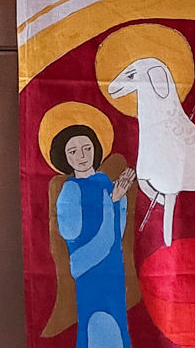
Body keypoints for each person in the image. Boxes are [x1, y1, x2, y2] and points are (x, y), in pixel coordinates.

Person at [50, 124, 137, 348]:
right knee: (97, 323)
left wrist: (117, 201)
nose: (82, 156)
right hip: (89, 267)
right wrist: (112, 202)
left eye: (87, 148)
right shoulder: (70, 190)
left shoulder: (106, 183)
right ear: (65, 157)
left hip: (112, 270)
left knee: (116, 322)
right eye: (73, 151)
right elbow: (73, 235)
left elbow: (117, 233)